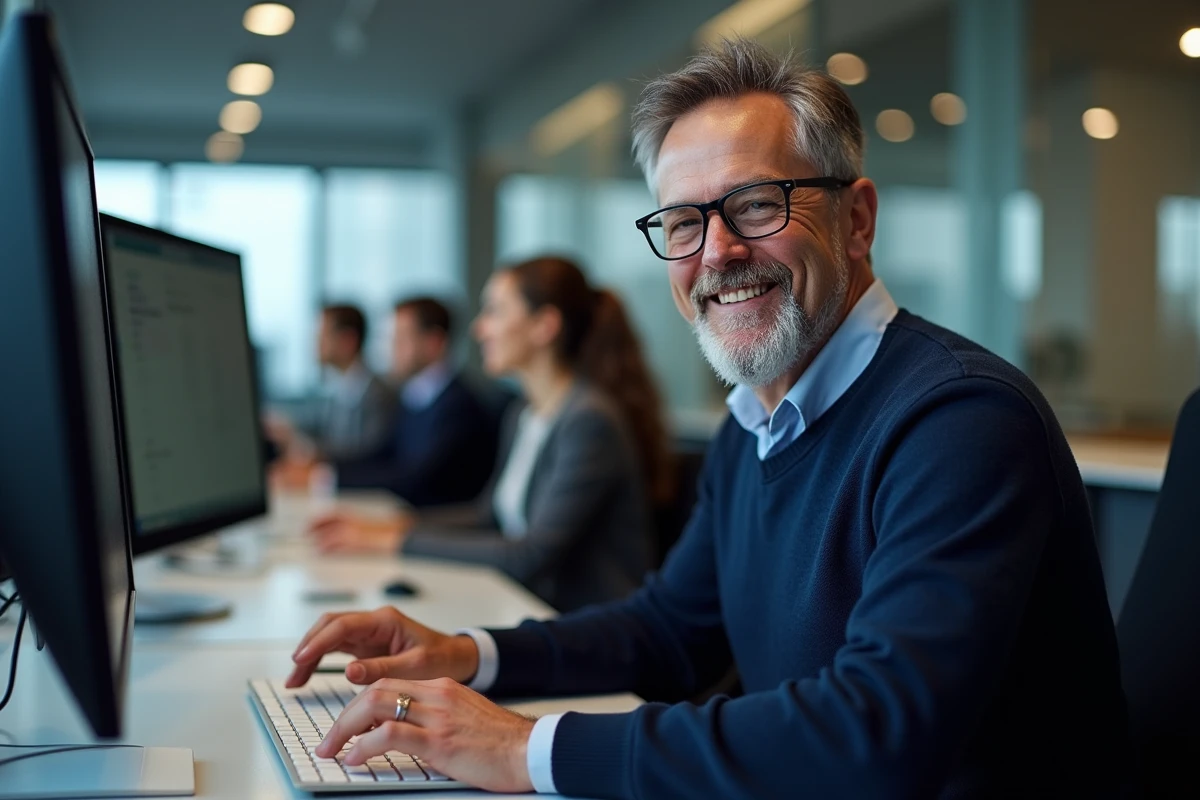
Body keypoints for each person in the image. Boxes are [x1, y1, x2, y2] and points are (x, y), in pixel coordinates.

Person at [286, 40, 1131, 798]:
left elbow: (875, 734)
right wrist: (469, 656)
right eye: (685, 222)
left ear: (858, 219)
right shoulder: (757, 420)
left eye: (759, 205)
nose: (717, 252)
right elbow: (667, 631)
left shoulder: (960, 420)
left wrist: (525, 750)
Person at [310, 257, 670, 612]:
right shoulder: (524, 414)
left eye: (495, 311)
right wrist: (383, 526)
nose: (479, 329)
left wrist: (395, 541)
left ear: (544, 325)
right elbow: (490, 516)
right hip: (526, 605)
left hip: (585, 627)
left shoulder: (588, 422)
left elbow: (529, 554)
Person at [333, 297, 504, 508]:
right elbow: (384, 453)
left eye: (401, 339)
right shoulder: (414, 395)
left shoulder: (460, 407)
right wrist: (326, 471)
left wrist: (330, 480)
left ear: (433, 343)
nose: (391, 350)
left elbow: (418, 479)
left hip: (442, 525)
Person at [266, 304, 396, 463]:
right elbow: (316, 422)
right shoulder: (340, 386)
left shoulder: (378, 394)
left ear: (348, 340)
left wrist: (311, 450)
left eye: (322, 336)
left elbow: (366, 454)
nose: (316, 344)